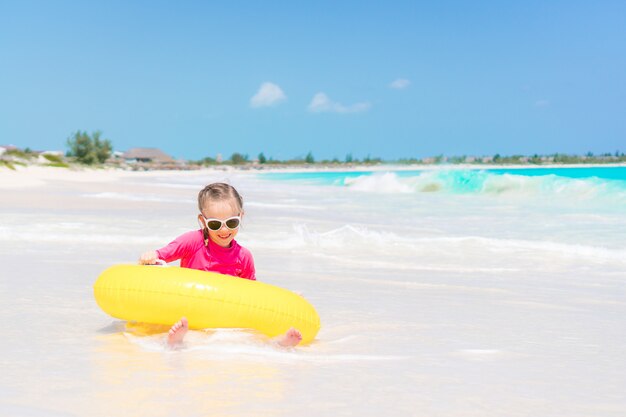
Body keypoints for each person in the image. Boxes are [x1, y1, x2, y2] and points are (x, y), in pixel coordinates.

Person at [139, 182, 302, 348]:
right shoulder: (193, 242)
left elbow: (253, 295)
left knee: (244, 335)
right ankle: (178, 340)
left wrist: (285, 298)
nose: (224, 230)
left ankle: (279, 344)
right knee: (194, 331)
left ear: (241, 216)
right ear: (203, 221)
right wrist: (151, 256)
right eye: (215, 224)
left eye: (231, 223)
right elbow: (161, 255)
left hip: (225, 315)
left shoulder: (243, 256)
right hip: (193, 310)